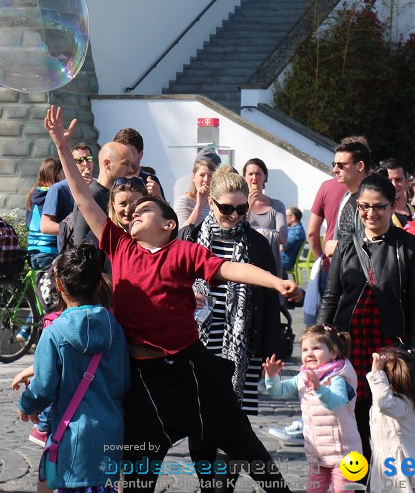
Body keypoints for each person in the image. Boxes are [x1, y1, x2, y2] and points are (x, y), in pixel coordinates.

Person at [44, 106, 300, 492]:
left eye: (143, 209)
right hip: (145, 381)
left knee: (249, 451)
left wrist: (275, 281)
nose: (133, 214)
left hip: (194, 370)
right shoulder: (120, 246)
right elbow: (83, 199)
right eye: (129, 212)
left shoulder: (183, 252)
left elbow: (229, 269)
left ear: (168, 225)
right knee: (138, 476)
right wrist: (63, 149)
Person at [316, 171, 415, 459]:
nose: (370, 213)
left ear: (392, 206)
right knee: (351, 422)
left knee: (387, 423)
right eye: (364, 206)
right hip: (350, 345)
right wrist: (318, 339)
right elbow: (332, 296)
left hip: (389, 347)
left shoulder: (408, 246)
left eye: (379, 206)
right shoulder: (345, 244)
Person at [16, 245, 128, 493]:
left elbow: (43, 388)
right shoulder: (115, 326)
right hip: (110, 434)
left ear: (58, 284)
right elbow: (123, 383)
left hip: (72, 439)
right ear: (99, 284)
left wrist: (26, 406)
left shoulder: (54, 332)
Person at [183, 167, 283, 417]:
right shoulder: (192, 239)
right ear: (211, 202)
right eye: (227, 208)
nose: (234, 215)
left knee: (235, 426)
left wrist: (271, 352)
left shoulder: (257, 243)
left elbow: (270, 302)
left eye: (241, 209)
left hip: (242, 349)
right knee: (200, 422)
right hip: (197, 344)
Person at [263, 325, 361, 493]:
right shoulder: (303, 376)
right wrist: (272, 377)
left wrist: (318, 388)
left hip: (343, 453)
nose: (309, 353)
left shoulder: (338, 377)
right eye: (305, 349)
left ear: (333, 353)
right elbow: (278, 392)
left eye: (316, 348)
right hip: (317, 453)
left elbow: (336, 403)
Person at [367, 348, 415, 493]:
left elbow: (383, 401)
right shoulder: (395, 399)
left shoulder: (403, 402)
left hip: (400, 463)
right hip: (386, 460)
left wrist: (376, 375)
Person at [67, 140, 137, 252]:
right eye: (125, 164)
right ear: (107, 164)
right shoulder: (92, 196)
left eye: (131, 164)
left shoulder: (114, 195)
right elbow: (80, 244)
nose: (131, 170)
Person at [39, 142, 95, 240]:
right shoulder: (59, 188)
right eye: (79, 160)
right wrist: (71, 229)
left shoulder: (100, 185)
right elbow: (45, 226)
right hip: (71, 249)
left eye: (88, 159)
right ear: (70, 164)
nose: (85, 164)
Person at [243, 158, 288, 273]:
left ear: (265, 177)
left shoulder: (276, 205)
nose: (254, 178)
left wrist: (255, 233)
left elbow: (282, 237)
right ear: (244, 177)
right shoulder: (238, 204)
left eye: (258, 173)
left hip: (269, 261)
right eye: (250, 174)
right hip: (246, 261)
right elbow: (238, 229)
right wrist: (249, 204)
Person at [25, 158, 62, 268]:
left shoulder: (34, 193)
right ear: (57, 174)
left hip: (32, 248)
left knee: (40, 283)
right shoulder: (53, 194)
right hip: (49, 250)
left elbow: (28, 223)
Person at [113, 127, 163, 200]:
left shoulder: (151, 181)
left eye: (130, 153)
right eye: (121, 153)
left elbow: (167, 210)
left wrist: (159, 197)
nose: (126, 158)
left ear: (141, 154)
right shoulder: (112, 181)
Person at [173, 158, 215, 229]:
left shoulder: (215, 201)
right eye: (202, 175)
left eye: (210, 176)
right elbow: (181, 231)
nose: (206, 180)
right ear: (193, 177)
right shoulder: (184, 201)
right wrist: (199, 206)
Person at [381, 158, 415, 228]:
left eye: (398, 180)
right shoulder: (380, 217)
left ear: (406, 182)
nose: (394, 185)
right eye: (389, 180)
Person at [281, 206, 306, 275]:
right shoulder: (296, 229)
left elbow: (282, 247)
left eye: (285, 216)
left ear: (293, 218)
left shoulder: (295, 232)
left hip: (284, 261)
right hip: (283, 259)